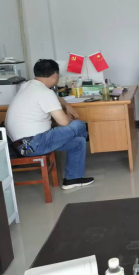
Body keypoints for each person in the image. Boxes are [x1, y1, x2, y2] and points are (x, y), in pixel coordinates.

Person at [5, 59, 94, 190]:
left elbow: (55, 98)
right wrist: (71, 119)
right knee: (78, 125)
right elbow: (63, 122)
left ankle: (72, 179)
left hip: (20, 145)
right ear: (55, 75)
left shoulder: (27, 85)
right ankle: (90, 137)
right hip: (34, 143)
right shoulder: (45, 93)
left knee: (78, 141)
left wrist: (67, 105)